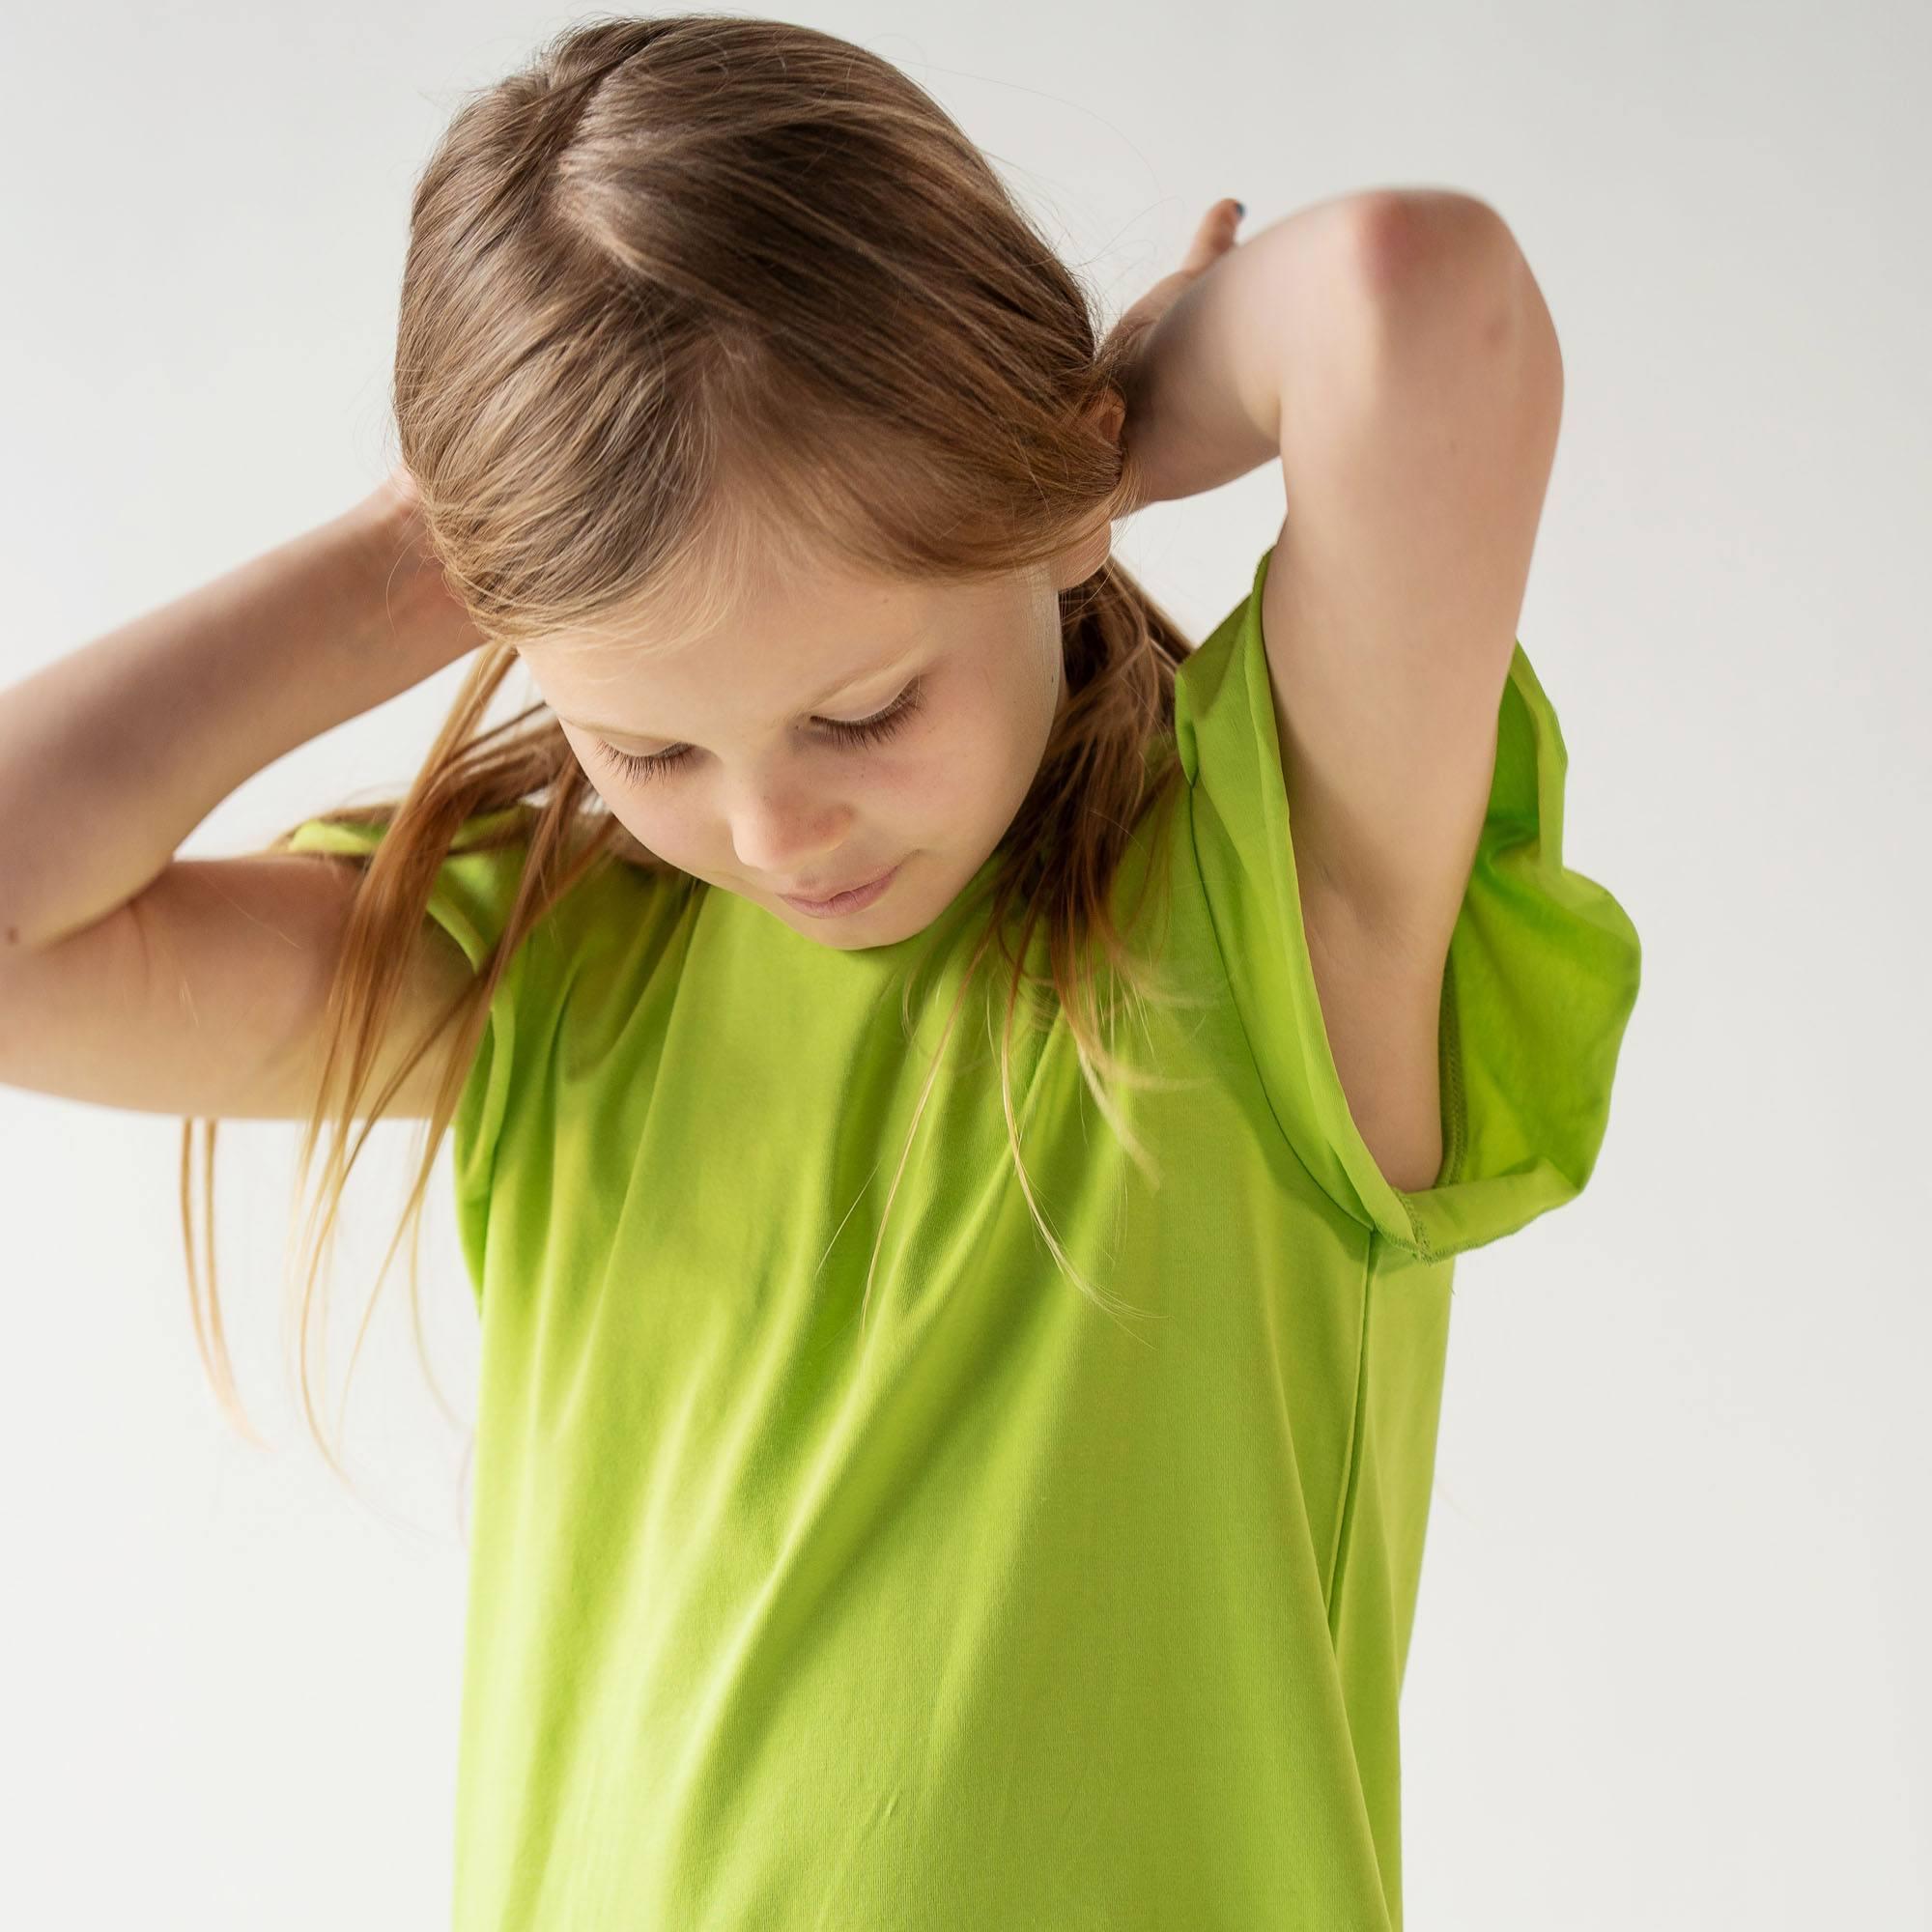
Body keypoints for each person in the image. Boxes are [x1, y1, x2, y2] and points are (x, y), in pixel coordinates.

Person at [0, 15, 1641, 1930]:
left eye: (862, 707)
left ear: (1036, 523)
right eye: (654, 748)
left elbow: (1408, 302)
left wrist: (1064, 433)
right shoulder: (558, 975)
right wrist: (445, 550)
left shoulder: (1271, 923)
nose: (776, 831)